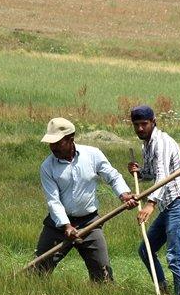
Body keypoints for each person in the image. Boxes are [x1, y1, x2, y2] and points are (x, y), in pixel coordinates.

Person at [33, 117, 137, 282]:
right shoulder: (47, 167)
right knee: (38, 273)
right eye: (50, 143)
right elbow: (53, 201)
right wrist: (66, 225)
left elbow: (113, 176)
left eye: (57, 143)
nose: (53, 147)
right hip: (58, 227)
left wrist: (124, 195)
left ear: (70, 139)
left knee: (103, 276)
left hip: (90, 223)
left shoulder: (93, 155)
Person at [128, 105, 180, 295]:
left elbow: (163, 176)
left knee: (175, 258)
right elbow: (151, 173)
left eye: (144, 124)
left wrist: (150, 204)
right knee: (146, 250)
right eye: (136, 125)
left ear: (153, 122)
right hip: (168, 206)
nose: (140, 129)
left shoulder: (162, 142)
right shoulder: (147, 145)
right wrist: (138, 172)